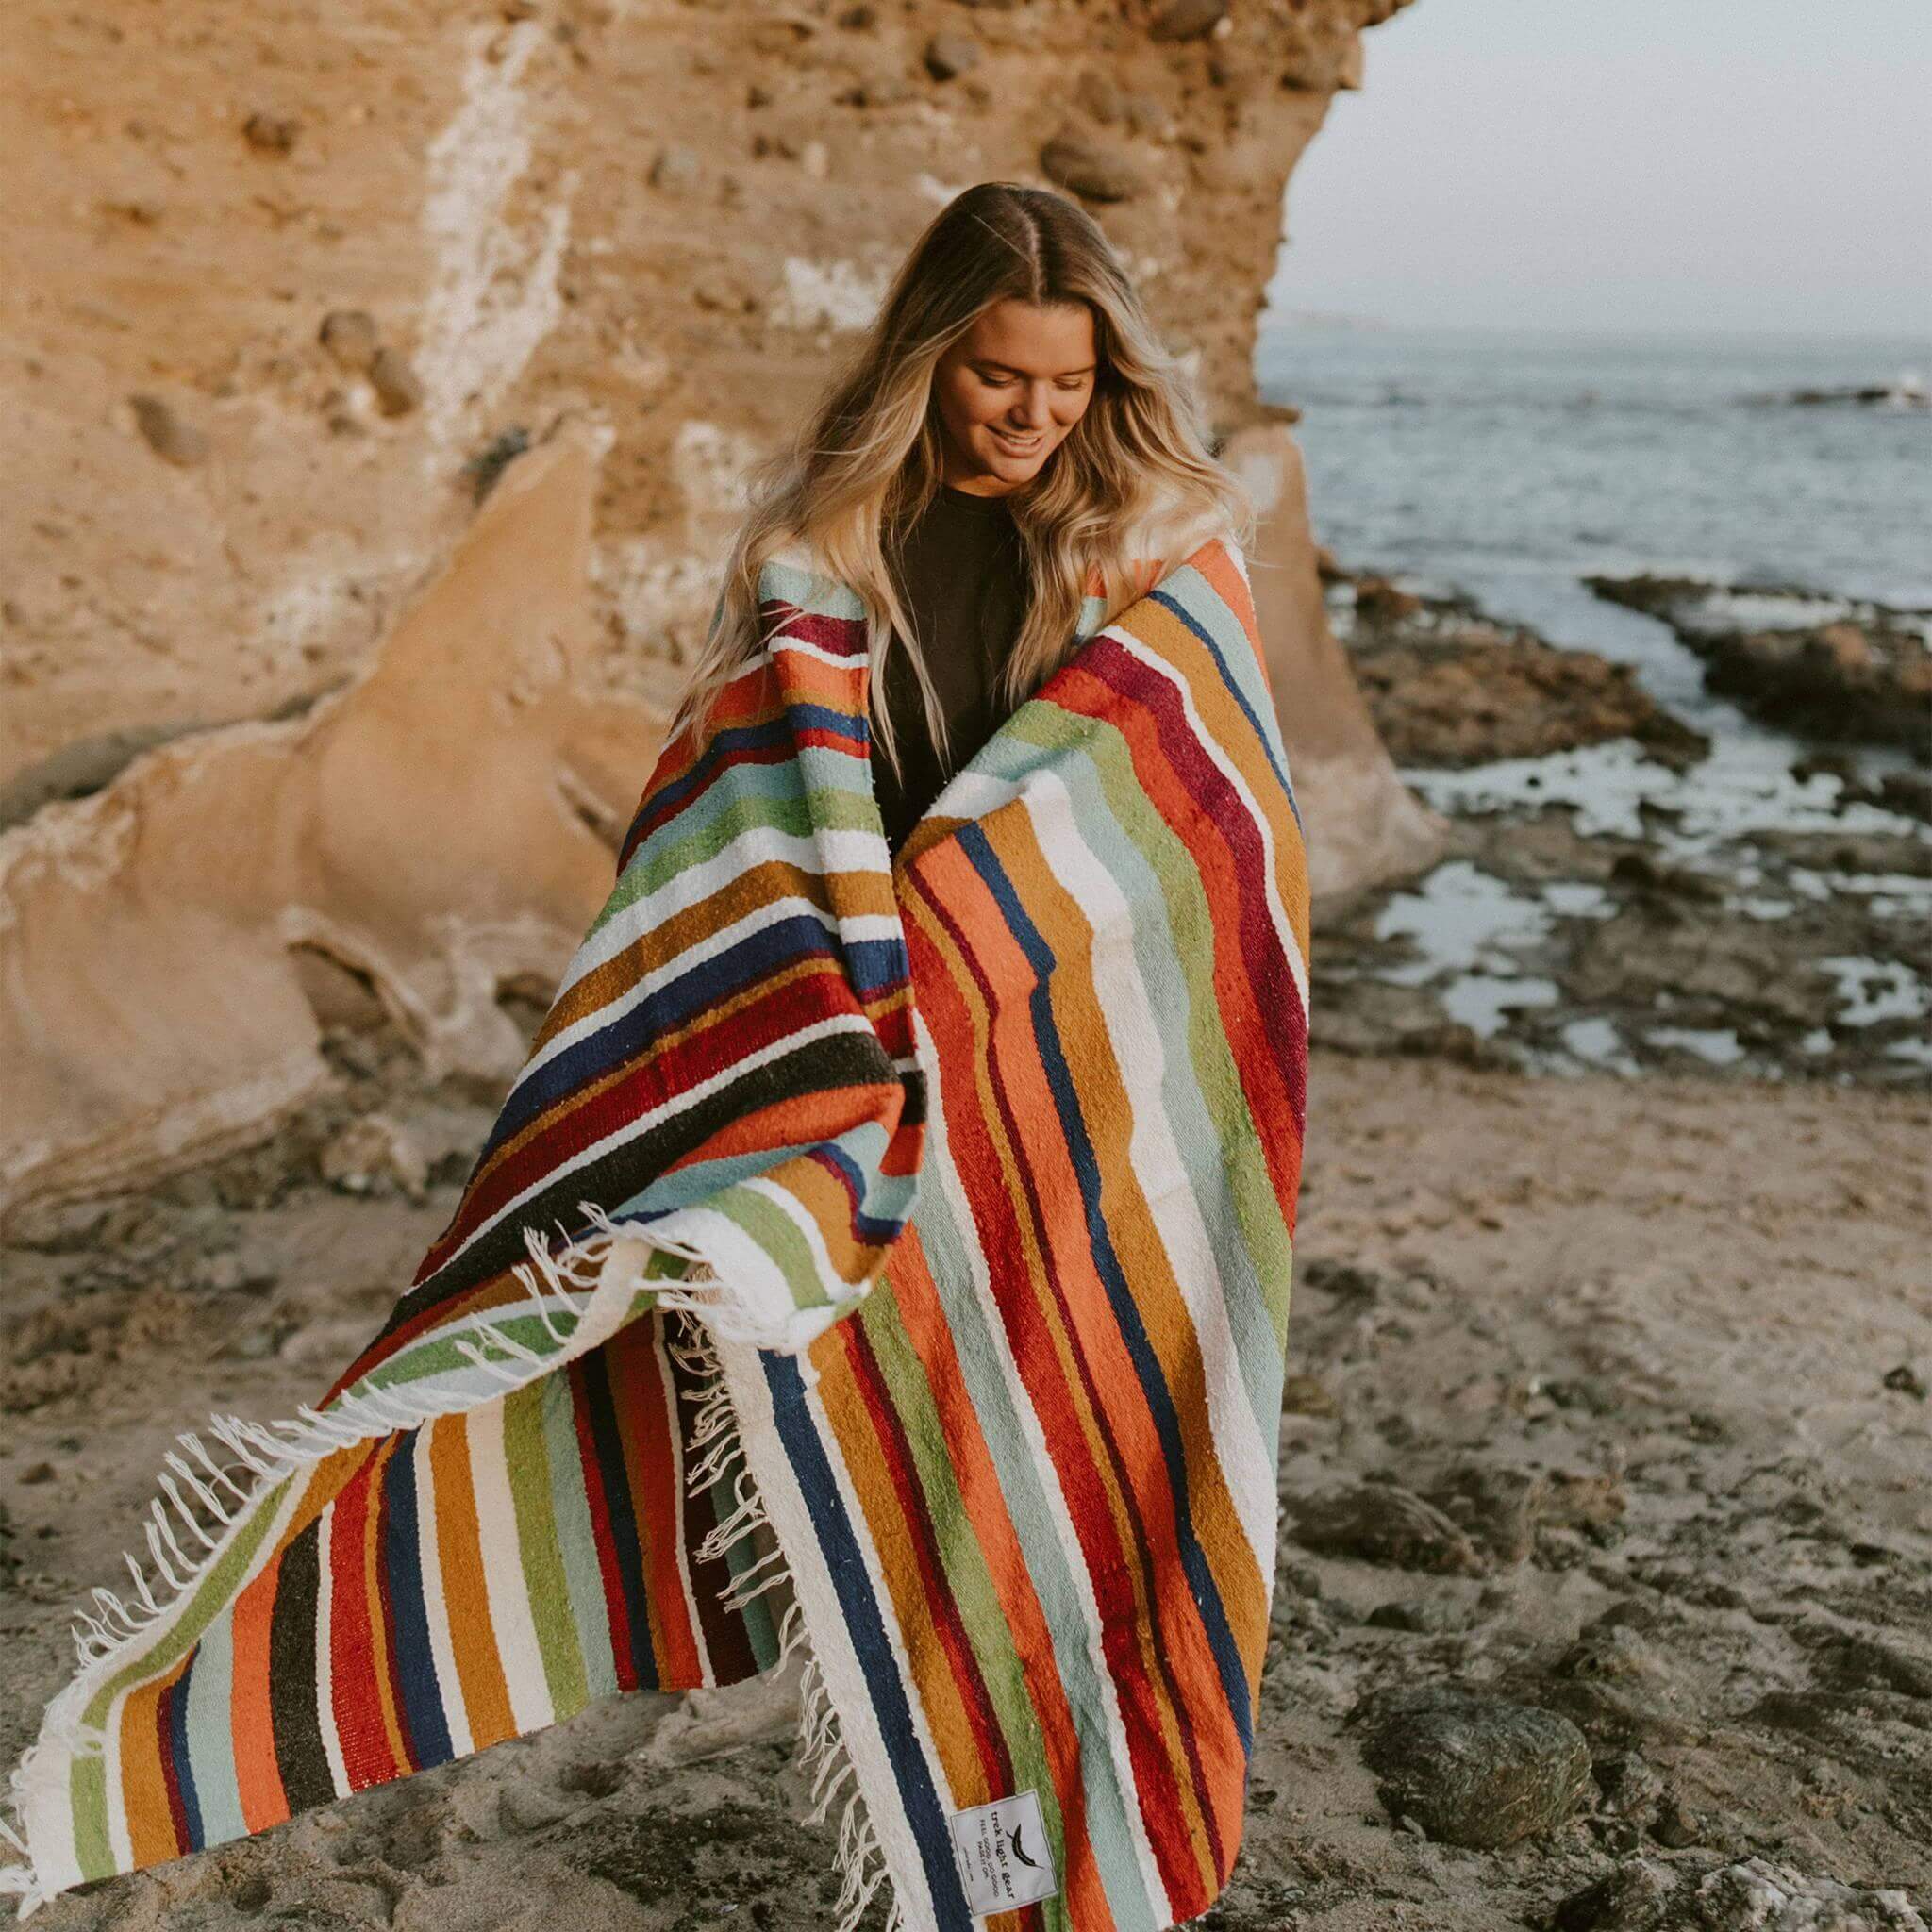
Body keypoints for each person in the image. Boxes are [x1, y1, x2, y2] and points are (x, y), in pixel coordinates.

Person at [670, 177, 1255, 862]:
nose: (1036, 417)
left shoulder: (1156, 560)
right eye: (999, 377)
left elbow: (1212, 829)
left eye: (1070, 383)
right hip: (844, 958)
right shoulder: (812, 555)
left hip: (1061, 965)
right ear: (929, 354)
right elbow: (719, 825)